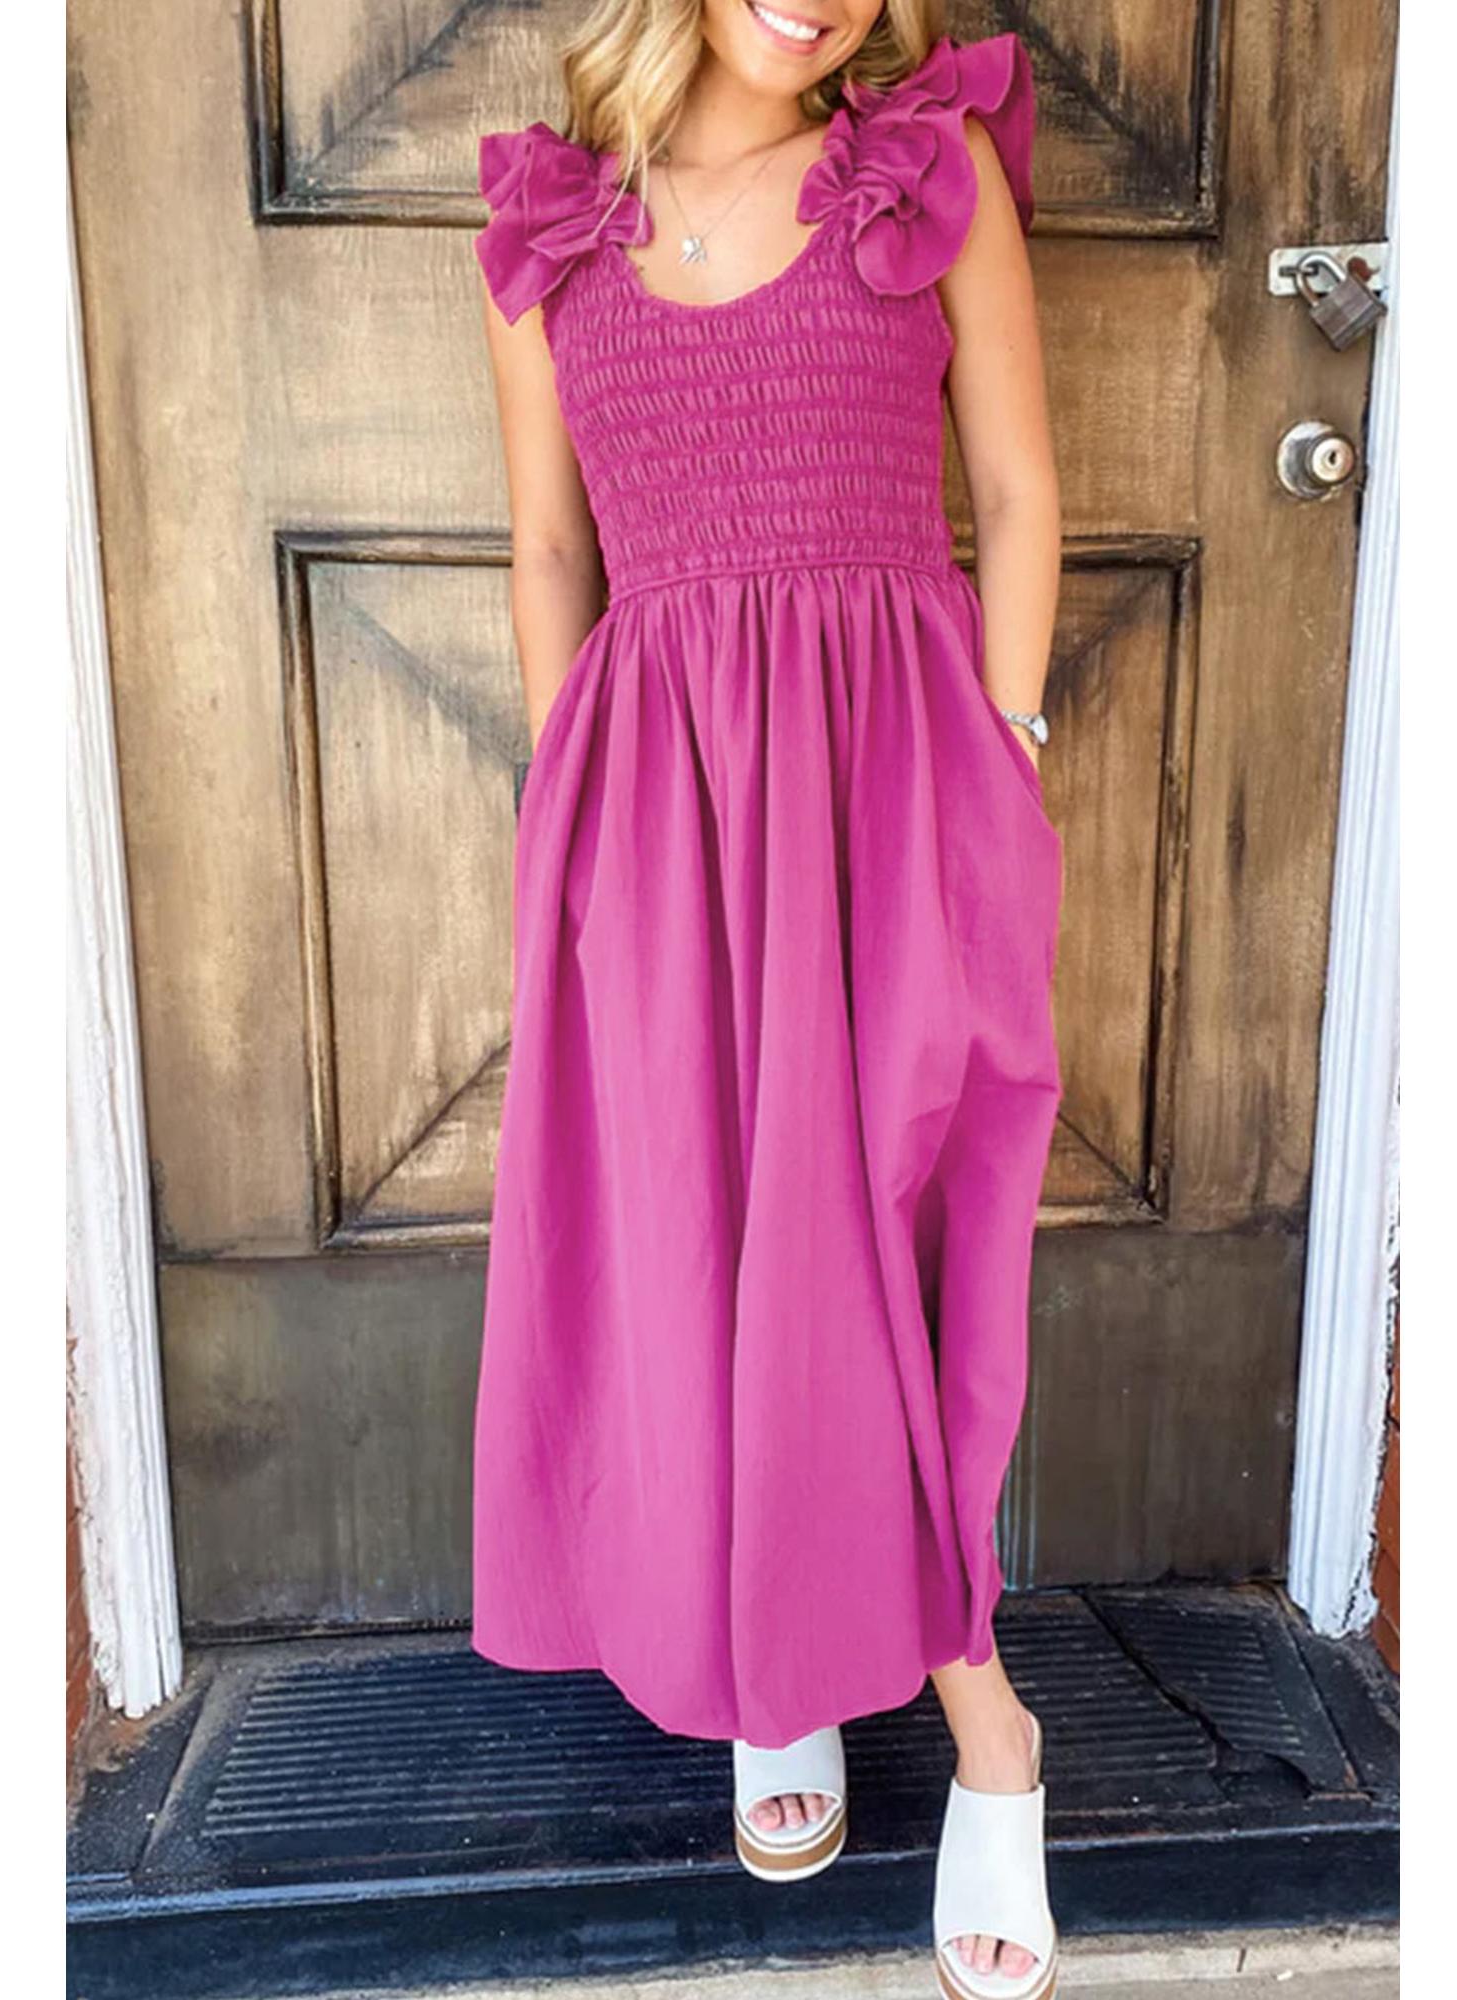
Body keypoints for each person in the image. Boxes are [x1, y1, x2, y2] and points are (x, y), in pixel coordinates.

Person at [471, 4, 1062, 1994]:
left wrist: (1001, 754)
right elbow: (548, 545)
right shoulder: (553, 230)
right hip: (656, 828)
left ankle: (991, 1725)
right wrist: (574, 808)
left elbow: (1017, 489)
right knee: (704, 1249)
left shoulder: (921, 169)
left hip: (896, 800)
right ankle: (770, 1666)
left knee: (892, 1256)